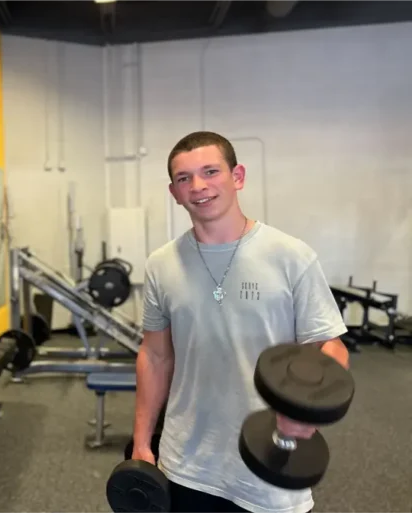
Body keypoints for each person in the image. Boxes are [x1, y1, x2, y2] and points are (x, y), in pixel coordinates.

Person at [132, 131, 350, 513]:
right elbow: (154, 356)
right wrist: (141, 441)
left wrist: (306, 409)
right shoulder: (161, 264)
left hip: (270, 461)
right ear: (174, 191)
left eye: (210, 171)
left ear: (238, 177)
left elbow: (329, 345)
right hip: (186, 463)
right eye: (184, 178)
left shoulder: (291, 256)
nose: (198, 186)